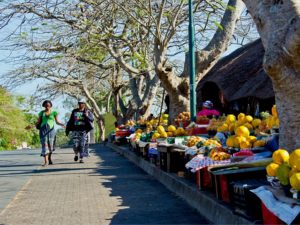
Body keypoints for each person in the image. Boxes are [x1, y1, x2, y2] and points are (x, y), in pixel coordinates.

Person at [36, 100, 65, 166]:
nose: (47, 107)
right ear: (44, 106)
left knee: (50, 147)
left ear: (50, 106)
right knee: (44, 146)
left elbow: (57, 121)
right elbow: (38, 122)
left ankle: (49, 158)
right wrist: (31, 125)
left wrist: (62, 124)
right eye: (46, 106)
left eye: (48, 106)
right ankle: (46, 162)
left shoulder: (54, 112)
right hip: (43, 130)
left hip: (51, 131)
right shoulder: (41, 113)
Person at [66, 99, 94, 163]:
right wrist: (68, 128)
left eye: (82, 103)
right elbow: (71, 120)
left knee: (82, 145)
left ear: (84, 104)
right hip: (75, 131)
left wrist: (86, 116)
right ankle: (76, 154)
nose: (80, 104)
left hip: (83, 131)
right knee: (75, 145)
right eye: (79, 103)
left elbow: (92, 119)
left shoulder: (87, 111)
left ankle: (81, 158)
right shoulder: (74, 111)